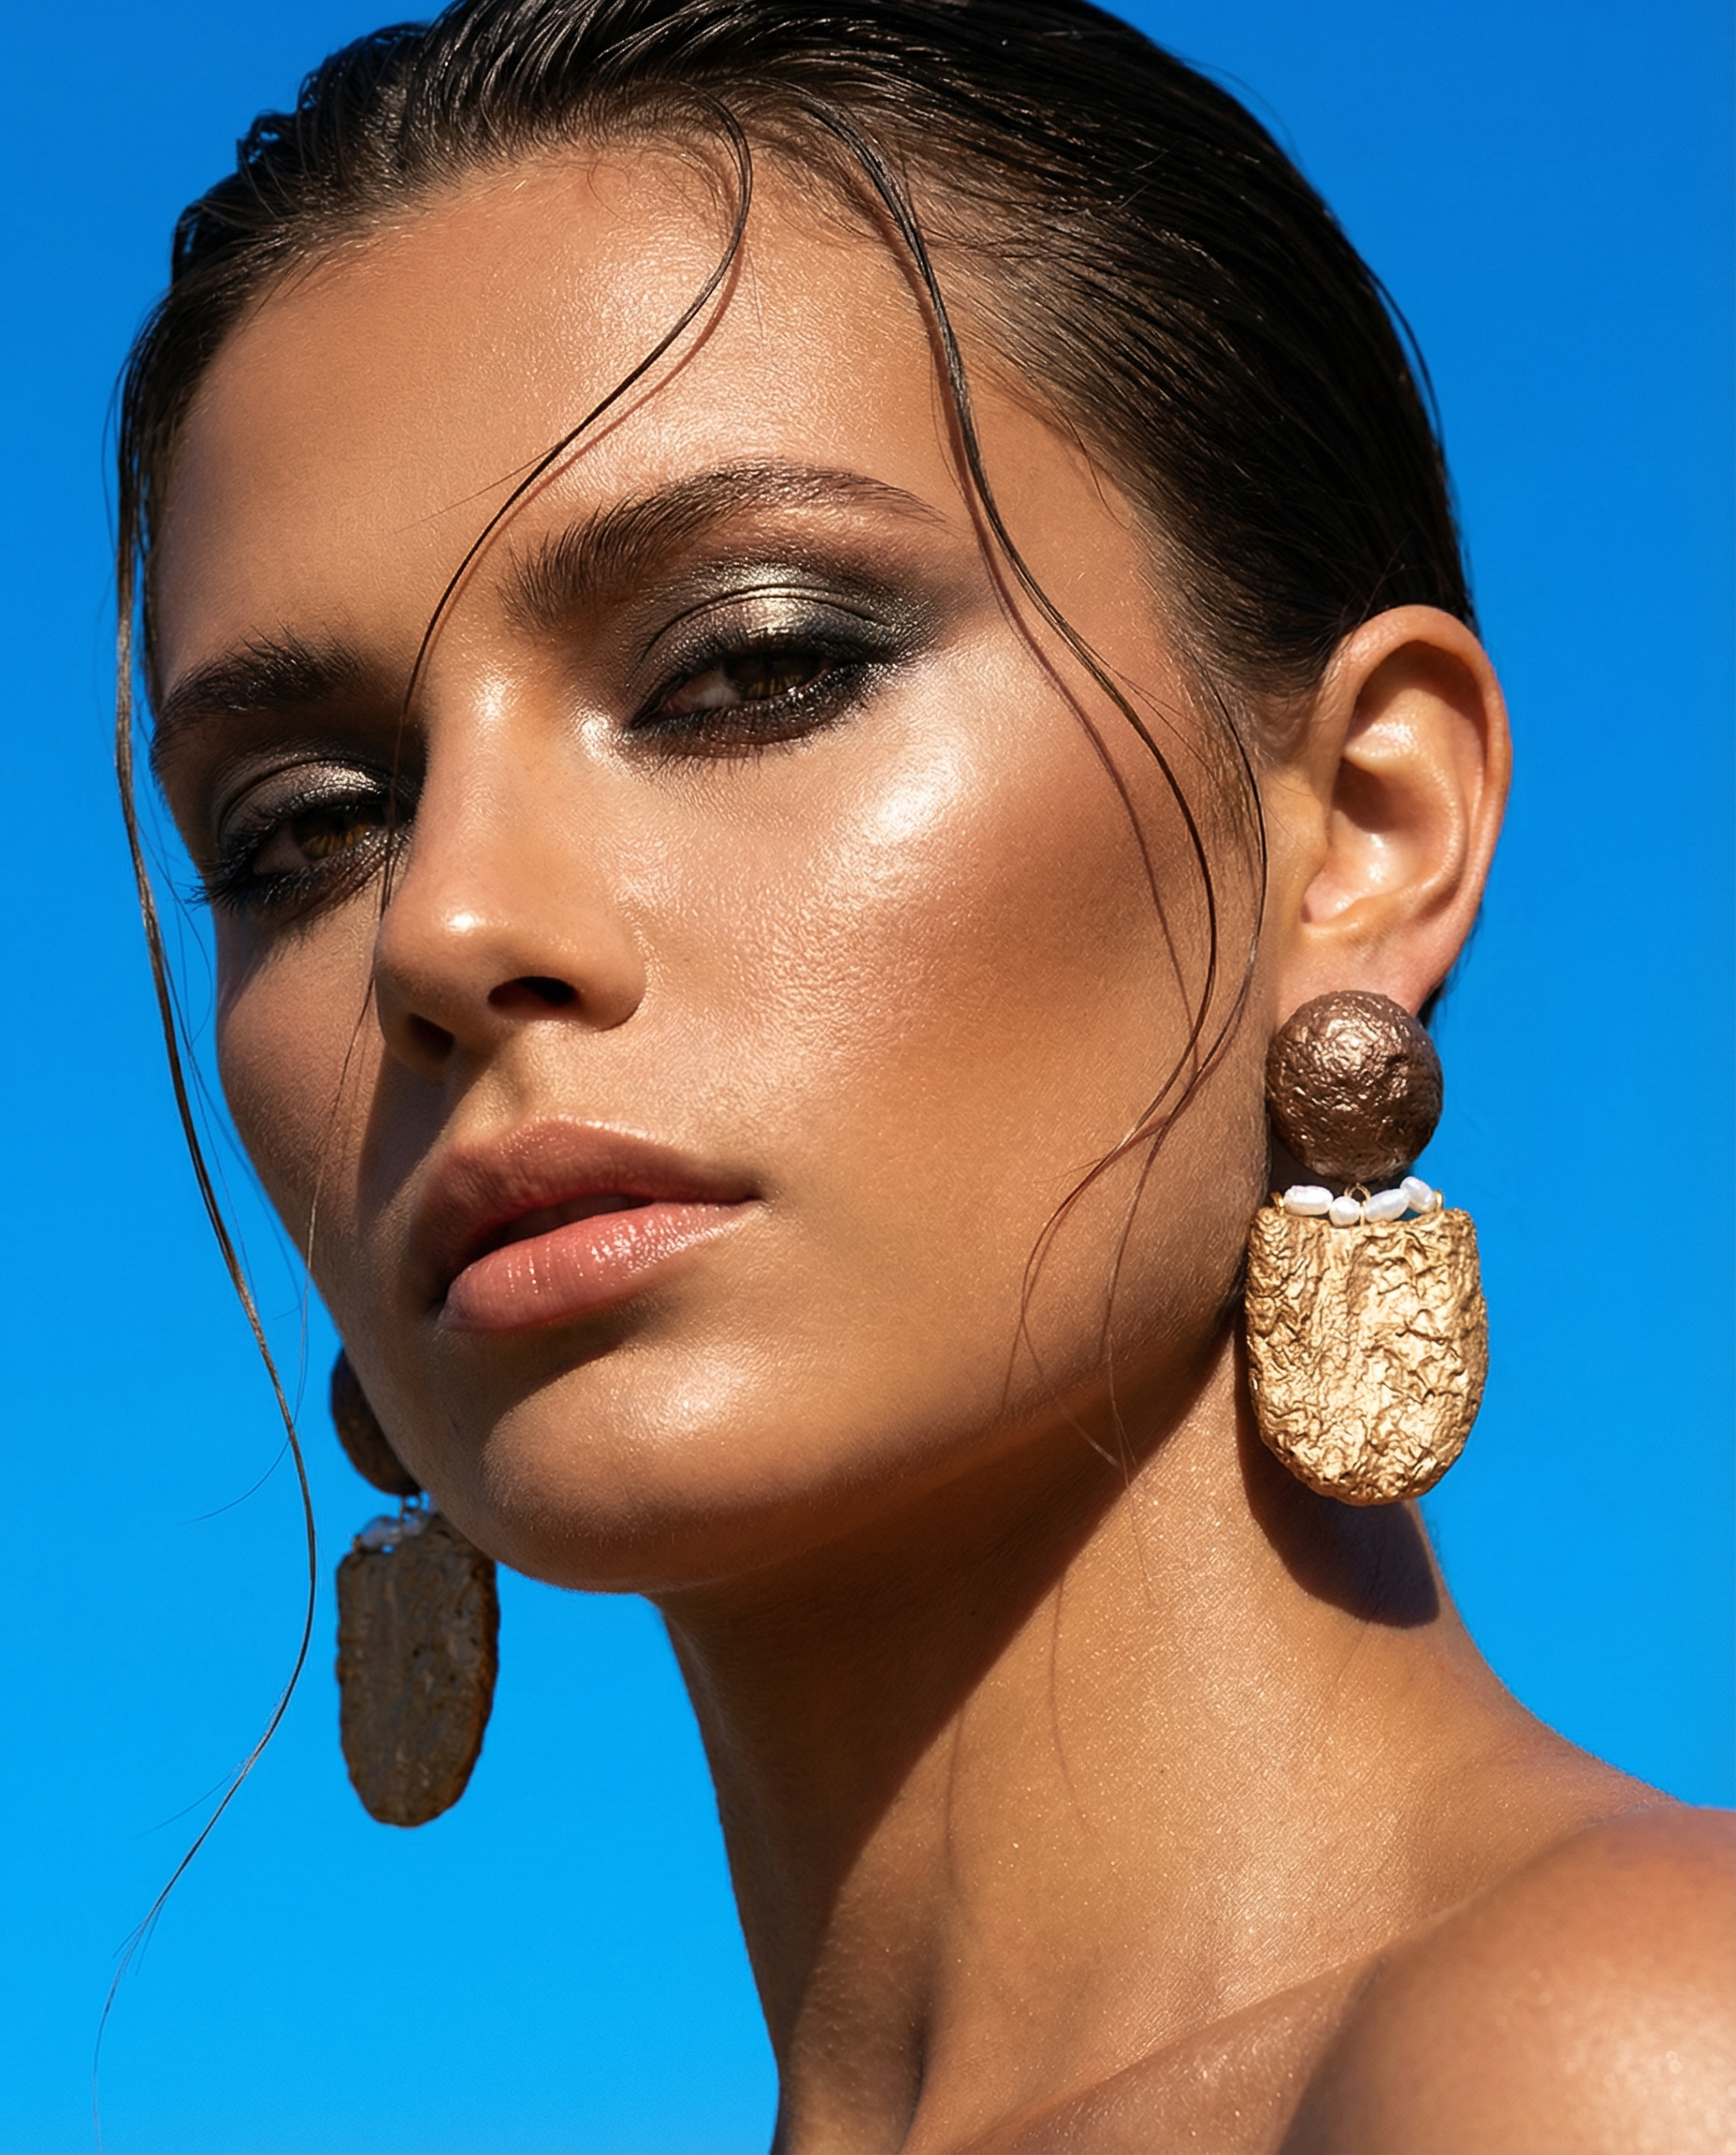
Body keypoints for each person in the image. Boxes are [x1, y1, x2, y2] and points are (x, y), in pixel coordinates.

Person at [117, 0, 1732, 2146]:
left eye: (751, 667)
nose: (440, 927)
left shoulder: (1614, 2065)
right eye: (301, 826)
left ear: (1358, 824)